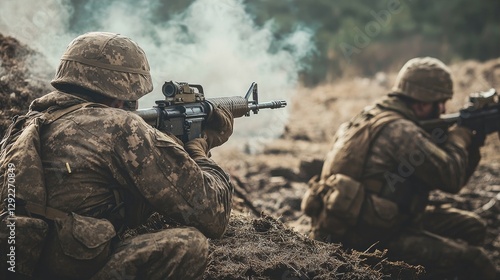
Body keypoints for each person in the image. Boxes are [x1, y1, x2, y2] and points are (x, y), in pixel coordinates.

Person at [0, 32, 234, 279]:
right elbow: (213, 214)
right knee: (190, 244)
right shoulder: (120, 128)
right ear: (121, 94)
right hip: (69, 266)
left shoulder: (27, 125)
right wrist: (199, 151)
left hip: (22, 263)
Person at [301, 57, 498, 279]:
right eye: (441, 102)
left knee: (473, 227)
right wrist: (460, 138)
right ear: (422, 103)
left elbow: (453, 175)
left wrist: (474, 141)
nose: (444, 110)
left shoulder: (369, 116)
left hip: (360, 223)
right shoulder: (401, 131)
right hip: (366, 240)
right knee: (474, 260)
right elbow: (450, 179)